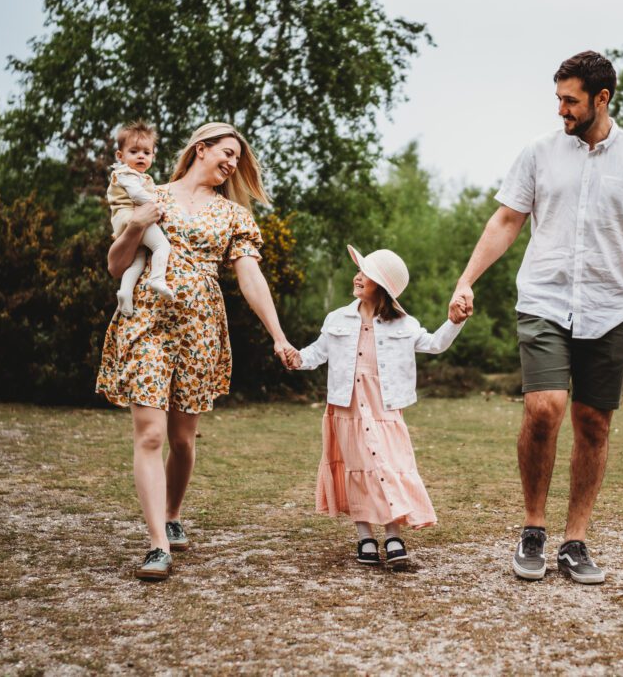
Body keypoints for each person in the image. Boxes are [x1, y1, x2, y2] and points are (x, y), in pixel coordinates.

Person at [449, 51, 623, 584]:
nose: (560, 110)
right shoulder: (538, 153)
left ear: (602, 98)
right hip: (545, 300)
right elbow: (507, 219)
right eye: (557, 98)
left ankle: (575, 541)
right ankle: (533, 528)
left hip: (611, 305)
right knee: (545, 408)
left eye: (570, 100)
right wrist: (466, 279)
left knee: (593, 423)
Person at [97, 122, 295, 580]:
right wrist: (139, 225)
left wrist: (278, 335)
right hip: (146, 320)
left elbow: (250, 278)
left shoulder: (233, 216)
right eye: (226, 153)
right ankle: (157, 545)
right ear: (200, 149)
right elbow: (115, 265)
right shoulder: (149, 192)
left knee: (182, 440)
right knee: (149, 435)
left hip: (200, 329)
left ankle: (172, 512)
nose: (231, 164)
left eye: (237, 160)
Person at [289, 246, 466, 570]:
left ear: (382, 285)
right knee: (355, 471)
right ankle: (364, 536)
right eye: (359, 270)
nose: (357, 276)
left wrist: (453, 322)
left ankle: (393, 534)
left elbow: (434, 344)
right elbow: (315, 354)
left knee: (388, 467)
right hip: (346, 407)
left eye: (366, 273)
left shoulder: (404, 323)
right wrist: (293, 357)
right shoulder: (338, 318)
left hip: (384, 407)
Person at [106, 120, 173, 316]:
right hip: (132, 217)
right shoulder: (126, 173)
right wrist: (158, 204)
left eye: (146, 152)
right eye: (134, 152)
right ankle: (157, 278)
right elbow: (136, 195)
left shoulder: (137, 175)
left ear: (153, 155)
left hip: (127, 221)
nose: (140, 156)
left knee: (138, 259)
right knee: (162, 246)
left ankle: (125, 293)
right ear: (120, 156)